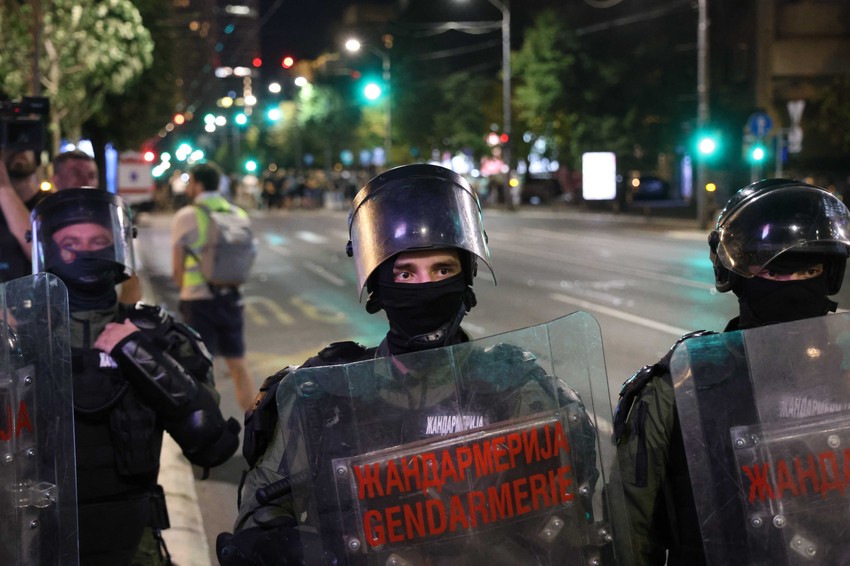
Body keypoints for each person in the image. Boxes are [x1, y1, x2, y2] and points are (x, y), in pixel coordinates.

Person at [216, 164, 607, 565]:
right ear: (379, 286)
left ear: (466, 278)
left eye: (442, 269)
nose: (426, 286)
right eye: (405, 273)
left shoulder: (518, 391)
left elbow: (571, 515)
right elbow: (260, 515)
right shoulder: (326, 397)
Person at [613, 178, 850, 565]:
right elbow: (632, 533)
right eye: (771, 271)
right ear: (736, 277)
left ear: (830, 275)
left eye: (807, 271)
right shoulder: (678, 389)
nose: (788, 285)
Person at [29, 188, 241, 565]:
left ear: (118, 248)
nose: (87, 252)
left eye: (99, 241)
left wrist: (139, 354)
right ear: (48, 249)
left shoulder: (156, 334)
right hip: (36, 541)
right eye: (71, 243)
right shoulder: (21, 339)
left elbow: (212, 444)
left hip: (133, 546)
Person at [171, 161, 254, 411]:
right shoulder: (238, 214)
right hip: (231, 297)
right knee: (238, 365)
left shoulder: (186, 216)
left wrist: (183, 289)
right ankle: (258, 431)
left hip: (197, 301)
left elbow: (177, 269)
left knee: (201, 372)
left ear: (196, 184)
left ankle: (212, 436)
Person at [51, 148, 143, 304]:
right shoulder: (44, 222)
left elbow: (130, 282)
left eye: (92, 176)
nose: (86, 182)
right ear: (56, 180)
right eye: (76, 174)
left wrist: (117, 321)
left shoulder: (110, 222)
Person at [0, 149, 46, 282]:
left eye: (27, 144)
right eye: (11, 139)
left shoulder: (52, 205)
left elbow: (43, 256)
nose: (19, 148)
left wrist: (3, 188)